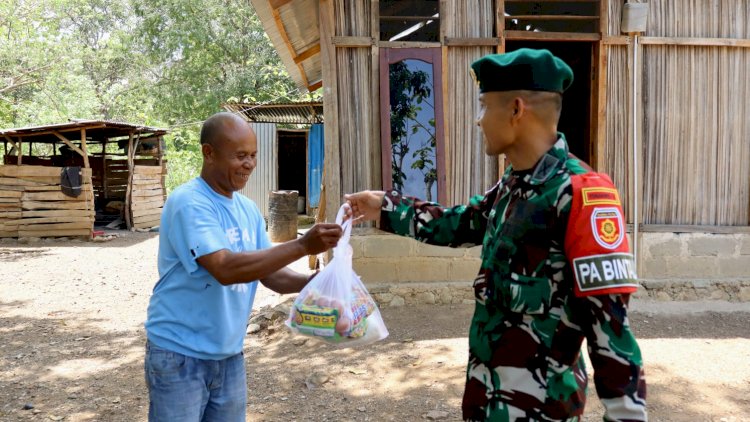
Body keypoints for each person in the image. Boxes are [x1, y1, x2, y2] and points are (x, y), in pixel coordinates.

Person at [345, 49, 647, 421]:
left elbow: (610, 326)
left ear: (516, 109)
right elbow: (458, 223)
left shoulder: (581, 194)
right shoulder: (514, 185)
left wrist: (625, 414)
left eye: (485, 106)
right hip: (486, 402)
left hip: (541, 410)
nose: (479, 120)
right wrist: (384, 206)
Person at [144, 112, 343, 421]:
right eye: (240, 156)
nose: (249, 164)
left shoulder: (247, 209)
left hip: (228, 355)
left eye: (253, 155)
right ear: (208, 153)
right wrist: (303, 246)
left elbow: (269, 273)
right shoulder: (189, 203)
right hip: (179, 355)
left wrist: (313, 282)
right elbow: (224, 269)